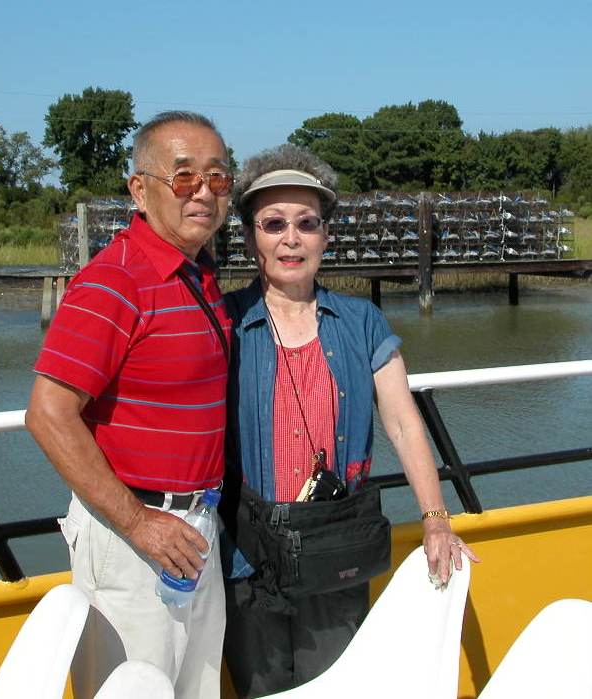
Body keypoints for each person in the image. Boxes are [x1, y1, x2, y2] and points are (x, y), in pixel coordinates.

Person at [220, 144, 479, 698]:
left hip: (336, 545)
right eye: (273, 224)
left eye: (307, 224)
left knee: (339, 683)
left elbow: (405, 424)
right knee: (258, 686)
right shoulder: (223, 321)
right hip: (248, 552)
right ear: (250, 239)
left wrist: (436, 519)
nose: (291, 238)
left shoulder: (363, 322)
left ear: (325, 237)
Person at [25, 111, 233, 699]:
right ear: (140, 190)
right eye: (184, 176)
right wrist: (139, 522)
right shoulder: (114, 281)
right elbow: (48, 413)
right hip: (134, 536)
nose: (204, 192)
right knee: (132, 688)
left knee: (195, 688)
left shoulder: (196, 275)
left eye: (218, 178)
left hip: (195, 527)